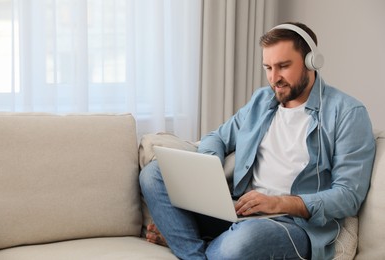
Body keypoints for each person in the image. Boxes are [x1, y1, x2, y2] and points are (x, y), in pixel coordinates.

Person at [139, 22, 375, 260]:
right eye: (268, 67)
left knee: (241, 244)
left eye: (283, 66)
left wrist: (279, 203)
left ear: (311, 61)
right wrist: (209, 171)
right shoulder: (261, 101)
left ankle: (186, 240)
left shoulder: (347, 113)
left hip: (293, 225)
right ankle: (198, 249)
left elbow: (348, 196)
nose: (274, 78)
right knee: (153, 174)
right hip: (240, 210)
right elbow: (217, 138)